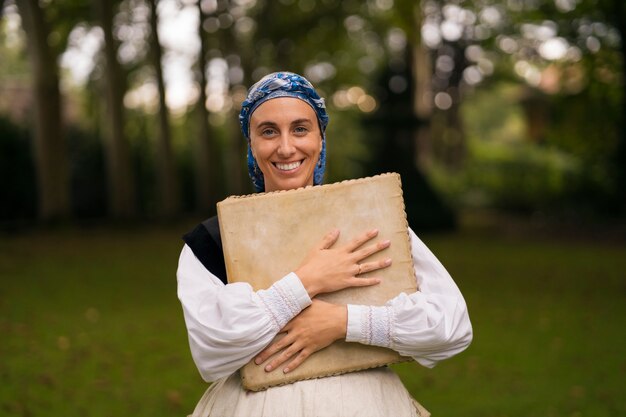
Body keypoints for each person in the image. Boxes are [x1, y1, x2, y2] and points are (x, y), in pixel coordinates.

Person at [177, 72, 473, 417]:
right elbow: (212, 351)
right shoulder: (212, 242)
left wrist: (344, 322)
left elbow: (450, 328)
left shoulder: (373, 218)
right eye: (268, 131)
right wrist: (306, 282)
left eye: (300, 129)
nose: (286, 147)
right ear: (251, 144)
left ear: (320, 138)